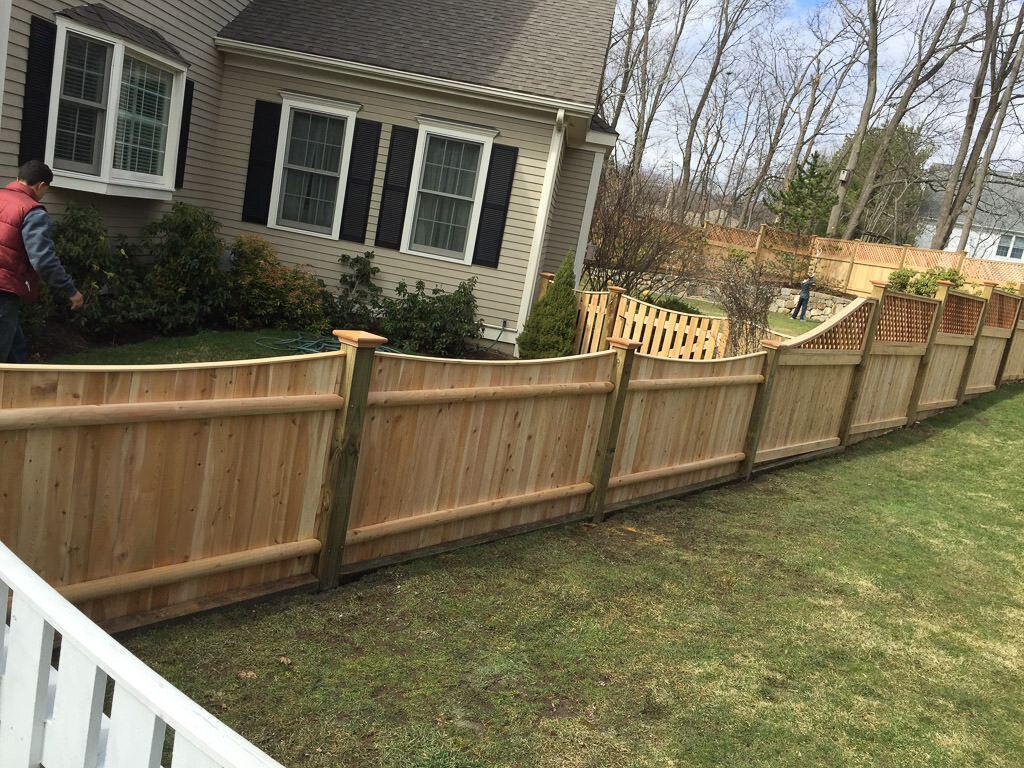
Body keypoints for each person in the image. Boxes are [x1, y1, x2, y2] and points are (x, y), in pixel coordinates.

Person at [0, 160, 83, 363]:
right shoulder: (32, 211)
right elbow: (43, 260)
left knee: (16, 348)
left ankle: (19, 392)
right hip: (3, 290)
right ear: (40, 186)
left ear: (18, 179)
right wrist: (70, 290)